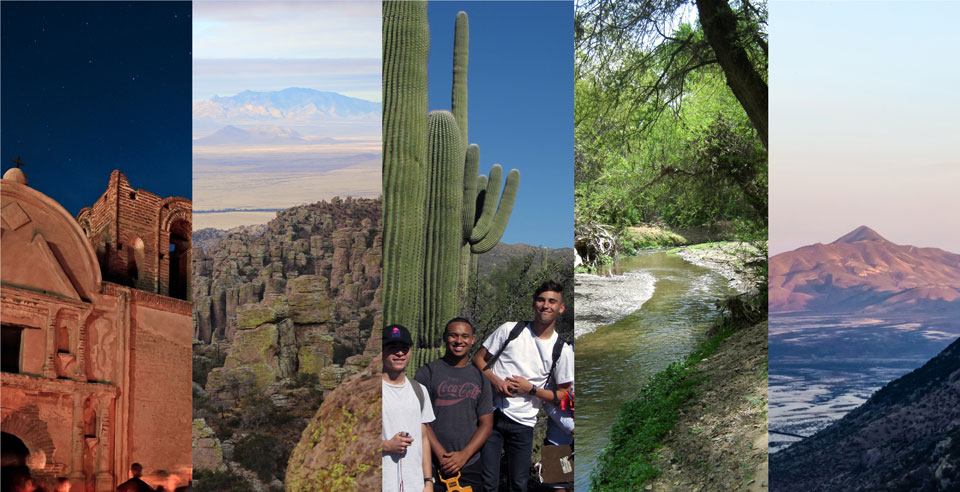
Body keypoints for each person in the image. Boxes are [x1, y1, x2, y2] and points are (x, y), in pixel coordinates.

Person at [472, 281, 574, 492]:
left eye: (552, 301)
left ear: (561, 308)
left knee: (520, 484)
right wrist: (496, 381)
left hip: (524, 423)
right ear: (533, 304)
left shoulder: (562, 350)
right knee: (488, 482)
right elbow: (479, 359)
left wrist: (531, 390)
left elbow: (565, 395)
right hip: (490, 416)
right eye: (541, 300)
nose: (546, 305)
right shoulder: (511, 330)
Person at [415, 317, 493, 490]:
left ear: (473, 340)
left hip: (469, 464)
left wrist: (464, 455)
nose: (459, 341)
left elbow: (486, 424)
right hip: (432, 464)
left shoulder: (480, 378)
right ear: (445, 337)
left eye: (465, 336)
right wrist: (442, 456)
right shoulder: (427, 373)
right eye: (453, 335)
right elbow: (420, 420)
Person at [382, 324, 435, 492]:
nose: (399, 353)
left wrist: (428, 481)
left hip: (415, 484)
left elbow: (424, 438)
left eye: (404, 348)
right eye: (393, 348)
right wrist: (387, 445)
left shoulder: (419, 390)